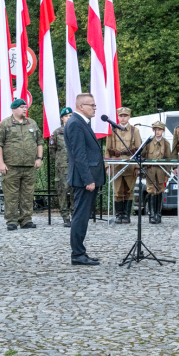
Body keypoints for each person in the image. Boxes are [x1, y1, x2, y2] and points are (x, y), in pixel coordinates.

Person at [65, 93, 105, 266]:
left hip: (87, 177)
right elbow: (79, 155)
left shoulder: (81, 122)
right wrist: (88, 179)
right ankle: (78, 254)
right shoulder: (75, 123)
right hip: (83, 179)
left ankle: (80, 252)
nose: (95, 108)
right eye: (92, 105)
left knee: (83, 216)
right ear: (81, 106)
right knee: (80, 216)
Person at [0, 97, 43, 231]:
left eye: (25, 107)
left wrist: (39, 158)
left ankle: (26, 220)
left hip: (29, 166)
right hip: (11, 166)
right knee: (11, 195)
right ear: (14, 109)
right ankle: (12, 220)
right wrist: (0, 163)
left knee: (28, 194)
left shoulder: (32, 123)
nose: (25, 109)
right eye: (22, 107)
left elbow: (39, 141)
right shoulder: (4, 124)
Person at [105, 107, 142, 224]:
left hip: (130, 165)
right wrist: (107, 166)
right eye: (121, 116)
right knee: (117, 191)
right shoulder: (112, 130)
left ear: (129, 117)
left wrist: (137, 167)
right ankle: (119, 215)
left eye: (125, 116)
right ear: (118, 117)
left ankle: (127, 215)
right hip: (116, 165)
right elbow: (107, 150)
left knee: (129, 190)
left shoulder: (135, 131)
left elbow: (139, 151)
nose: (123, 118)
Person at [142, 121, 172, 224]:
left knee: (159, 191)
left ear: (163, 131)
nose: (157, 132)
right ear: (153, 130)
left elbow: (169, 160)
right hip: (150, 171)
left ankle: (158, 214)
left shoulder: (166, 144)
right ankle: (151, 215)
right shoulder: (148, 143)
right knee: (151, 191)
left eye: (159, 130)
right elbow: (143, 156)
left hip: (161, 171)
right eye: (155, 130)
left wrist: (167, 174)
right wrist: (143, 168)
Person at [49, 108, 74, 227]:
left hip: (75, 166)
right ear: (62, 118)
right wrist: (60, 160)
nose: (69, 118)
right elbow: (52, 150)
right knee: (62, 191)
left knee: (75, 191)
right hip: (62, 168)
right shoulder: (57, 133)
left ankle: (75, 215)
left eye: (71, 116)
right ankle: (65, 217)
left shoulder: (77, 131)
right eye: (67, 116)